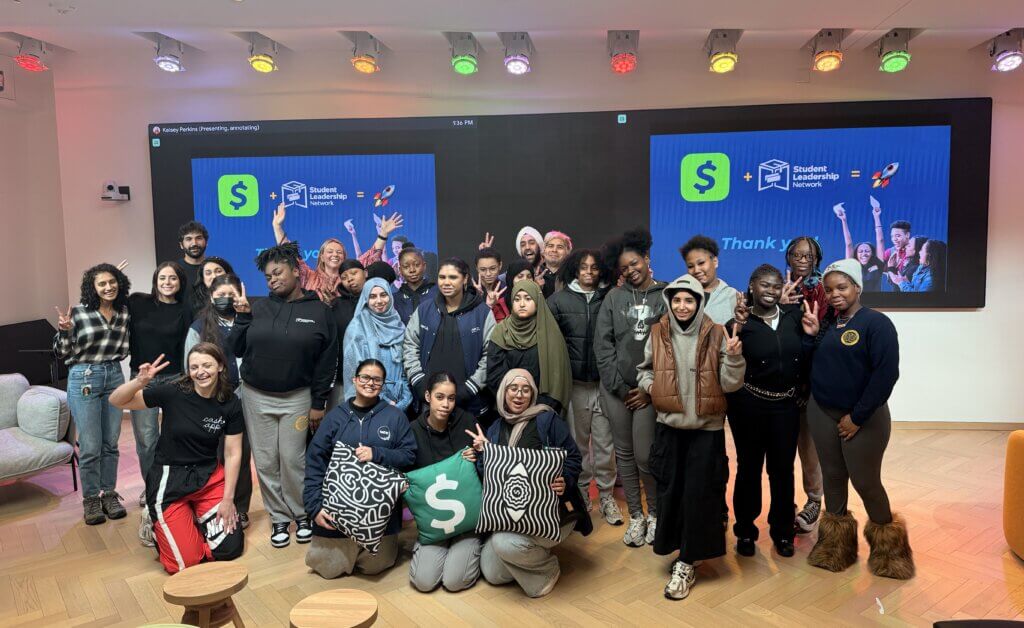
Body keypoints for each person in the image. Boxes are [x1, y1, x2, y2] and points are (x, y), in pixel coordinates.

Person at [637, 275, 745, 600]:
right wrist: (653, 387)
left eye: (689, 300)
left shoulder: (716, 333)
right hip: (669, 428)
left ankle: (687, 562)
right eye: (677, 300)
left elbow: (730, 384)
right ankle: (679, 547)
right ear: (669, 301)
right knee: (671, 493)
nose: (682, 306)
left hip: (705, 431)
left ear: (699, 302)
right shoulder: (658, 332)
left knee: (699, 495)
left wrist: (735, 356)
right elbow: (644, 370)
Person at [805, 259, 914, 580]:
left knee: (866, 482)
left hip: (865, 418)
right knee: (833, 478)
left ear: (857, 287)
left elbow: (885, 375)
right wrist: (811, 337)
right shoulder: (826, 323)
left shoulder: (876, 324)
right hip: (822, 411)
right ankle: (834, 549)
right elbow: (819, 365)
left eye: (842, 287)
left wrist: (858, 416)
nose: (835, 294)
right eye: (829, 289)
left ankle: (891, 554)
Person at [227, 242, 338, 549]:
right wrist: (242, 318)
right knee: (265, 461)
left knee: (292, 459)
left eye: (277, 273)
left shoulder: (319, 311)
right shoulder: (256, 306)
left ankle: (301, 513)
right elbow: (236, 348)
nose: (272, 279)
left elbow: (327, 362)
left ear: (296, 271)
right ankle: (278, 516)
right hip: (255, 395)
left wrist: (319, 403)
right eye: (267, 276)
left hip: (298, 398)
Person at [108, 345, 245, 574]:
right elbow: (117, 401)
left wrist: (228, 500)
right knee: (185, 563)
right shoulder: (173, 391)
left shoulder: (230, 402)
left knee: (230, 548)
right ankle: (158, 528)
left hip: (208, 477)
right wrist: (140, 381)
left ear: (220, 366)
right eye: (194, 367)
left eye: (207, 365)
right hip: (169, 480)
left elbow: (233, 453)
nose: (201, 371)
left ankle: (188, 525)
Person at [471, 369, 591, 598]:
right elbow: (488, 476)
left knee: (502, 543)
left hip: (550, 513)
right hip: (510, 514)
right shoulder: (495, 429)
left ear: (532, 394)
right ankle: (527, 557)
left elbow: (574, 457)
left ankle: (547, 569)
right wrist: (484, 452)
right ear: (503, 392)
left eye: (526, 390)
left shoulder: (547, 419)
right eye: (513, 389)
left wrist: (564, 480)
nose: (519, 395)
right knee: (492, 573)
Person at [727, 265, 817, 559]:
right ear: (752, 286)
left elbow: (803, 357)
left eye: (776, 286)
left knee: (782, 471)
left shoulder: (794, 317)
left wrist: (810, 337)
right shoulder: (740, 323)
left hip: (786, 408)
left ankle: (782, 532)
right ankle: (745, 531)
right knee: (749, 470)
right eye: (765, 285)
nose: (771, 291)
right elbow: (730, 357)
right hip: (749, 406)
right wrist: (735, 325)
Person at [303, 359, 416, 579]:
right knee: (328, 569)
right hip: (337, 510)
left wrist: (378, 454)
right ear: (355, 380)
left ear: (383, 385)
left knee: (377, 566)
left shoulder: (395, 417)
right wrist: (314, 507)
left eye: (377, 379)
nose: (370, 383)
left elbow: (409, 455)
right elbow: (314, 461)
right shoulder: (335, 416)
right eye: (365, 377)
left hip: (380, 516)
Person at [594, 228, 667, 547]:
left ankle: (656, 515)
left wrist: (649, 388)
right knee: (622, 454)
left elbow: (672, 348)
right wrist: (620, 387)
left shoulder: (666, 295)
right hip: (617, 391)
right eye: (623, 268)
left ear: (647, 259)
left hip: (650, 391)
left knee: (644, 456)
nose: (630, 270)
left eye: (635, 263)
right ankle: (637, 516)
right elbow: (603, 345)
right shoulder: (613, 297)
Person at [547, 249, 622, 525]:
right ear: (574, 270)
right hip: (575, 385)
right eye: (583, 267)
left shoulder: (610, 297)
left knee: (605, 444)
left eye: (594, 268)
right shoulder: (558, 300)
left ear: (601, 270)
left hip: (604, 384)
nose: (588, 273)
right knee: (578, 445)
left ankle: (606, 496)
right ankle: (580, 493)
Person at [54, 263, 132, 525]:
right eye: (102, 283)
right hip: (83, 376)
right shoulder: (78, 313)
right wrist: (64, 331)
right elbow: (61, 351)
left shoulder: (123, 312)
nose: (108, 287)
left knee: (111, 441)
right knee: (89, 444)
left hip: (114, 375)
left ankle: (108, 493)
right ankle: (91, 499)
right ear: (92, 287)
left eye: (113, 281)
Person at [184, 274, 254, 530]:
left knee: (240, 453)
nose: (226, 300)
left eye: (231, 295)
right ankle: (211, 503)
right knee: (213, 453)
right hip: (212, 397)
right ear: (212, 298)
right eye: (221, 295)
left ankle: (241, 507)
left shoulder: (250, 320)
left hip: (246, 395)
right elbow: (189, 365)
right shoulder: (199, 327)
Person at [408, 372, 482, 592]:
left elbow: (487, 470)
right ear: (428, 396)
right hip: (435, 522)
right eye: (440, 397)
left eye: (451, 398)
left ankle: (478, 548)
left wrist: (480, 455)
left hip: (467, 523)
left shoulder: (467, 422)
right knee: (423, 582)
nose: (446, 404)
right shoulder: (412, 431)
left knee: (454, 581)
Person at [127, 262, 191, 512]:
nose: (167, 282)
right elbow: (107, 301)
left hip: (176, 377)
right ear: (155, 280)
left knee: (175, 436)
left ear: (179, 282)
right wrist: (116, 275)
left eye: (172, 278)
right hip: (143, 379)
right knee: (146, 438)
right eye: (162, 277)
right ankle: (152, 485)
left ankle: (173, 485)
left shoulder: (186, 310)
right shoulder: (138, 302)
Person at [403, 258, 496, 421]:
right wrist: (417, 379)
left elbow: (491, 354)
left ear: (465, 279)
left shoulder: (482, 313)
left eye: (453, 277)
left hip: (470, 403)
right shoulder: (425, 309)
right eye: (442, 277)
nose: (446, 282)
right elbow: (410, 345)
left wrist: (471, 387)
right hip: (429, 403)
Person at [779, 235, 827, 534]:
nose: (801, 259)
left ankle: (814, 501)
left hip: (811, 382)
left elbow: (824, 336)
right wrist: (782, 304)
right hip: (781, 382)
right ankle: (785, 503)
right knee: (781, 450)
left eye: (807, 255)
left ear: (816, 259)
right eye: (796, 254)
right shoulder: (775, 285)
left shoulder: (824, 289)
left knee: (809, 449)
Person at [271, 202, 403, 301]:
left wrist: (383, 234)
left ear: (344, 257)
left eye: (339, 252)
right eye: (330, 251)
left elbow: (371, 256)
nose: (335, 254)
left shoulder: (350, 278)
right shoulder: (308, 276)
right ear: (321, 256)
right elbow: (291, 256)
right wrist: (277, 227)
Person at [486, 280, 572, 415]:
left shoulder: (550, 332)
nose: (521, 304)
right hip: (507, 407)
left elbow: (557, 377)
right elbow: (494, 374)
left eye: (528, 298)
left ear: (538, 301)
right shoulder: (501, 331)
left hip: (542, 409)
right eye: (517, 299)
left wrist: (536, 408)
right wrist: (513, 402)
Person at [342, 278, 412, 410]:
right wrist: (384, 401)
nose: (379, 301)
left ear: (390, 296)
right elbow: (355, 372)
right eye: (372, 296)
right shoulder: (357, 328)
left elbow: (405, 367)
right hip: (368, 401)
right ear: (365, 300)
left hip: (399, 401)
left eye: (383, 295)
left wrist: (405, 400)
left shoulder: (398, 325)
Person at [680, 235, 743, 324]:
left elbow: (738, 331)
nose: (696, 270)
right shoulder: (678, 294)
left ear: (715, 262)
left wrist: (740, 321)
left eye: (701, 263)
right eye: (690, 266)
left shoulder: (733, 296)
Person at [834, 203, 885, 292]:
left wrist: (876, 217)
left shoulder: (878, 264)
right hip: (856, 303)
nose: (864, 254)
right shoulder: (852, 266)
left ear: (872, 253)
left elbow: (880, 240)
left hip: (875, 303)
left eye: (867, 251)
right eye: (860, 251)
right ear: (856, 254)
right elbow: (849, 244)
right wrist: (844, 220)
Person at [393, 246, 436, 325]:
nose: (412, 270)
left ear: (424, 266)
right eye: (406, 267)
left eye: (416, 265)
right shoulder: (394, 299)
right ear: (400, 270)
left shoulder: (437, 293)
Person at [475, 248, 509, 322]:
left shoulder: (507, 290)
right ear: (477, 268)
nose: (488, 274)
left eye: (492, 268)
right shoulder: (470, 291)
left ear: (500, 265)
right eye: (483, 270)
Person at [176, 220, 208, 298]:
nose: (194, 243)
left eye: (199, 238)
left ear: (206, 242)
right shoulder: (174, 269)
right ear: (181, 245)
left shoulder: (216, 269)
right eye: (188, 239)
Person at [537, 231, 572, 298]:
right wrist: (533, 288)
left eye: (560, 247)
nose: (554, 250)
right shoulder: (533, 275)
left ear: (567, 252)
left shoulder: (573, 276)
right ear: (544, 250)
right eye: (550, 246)